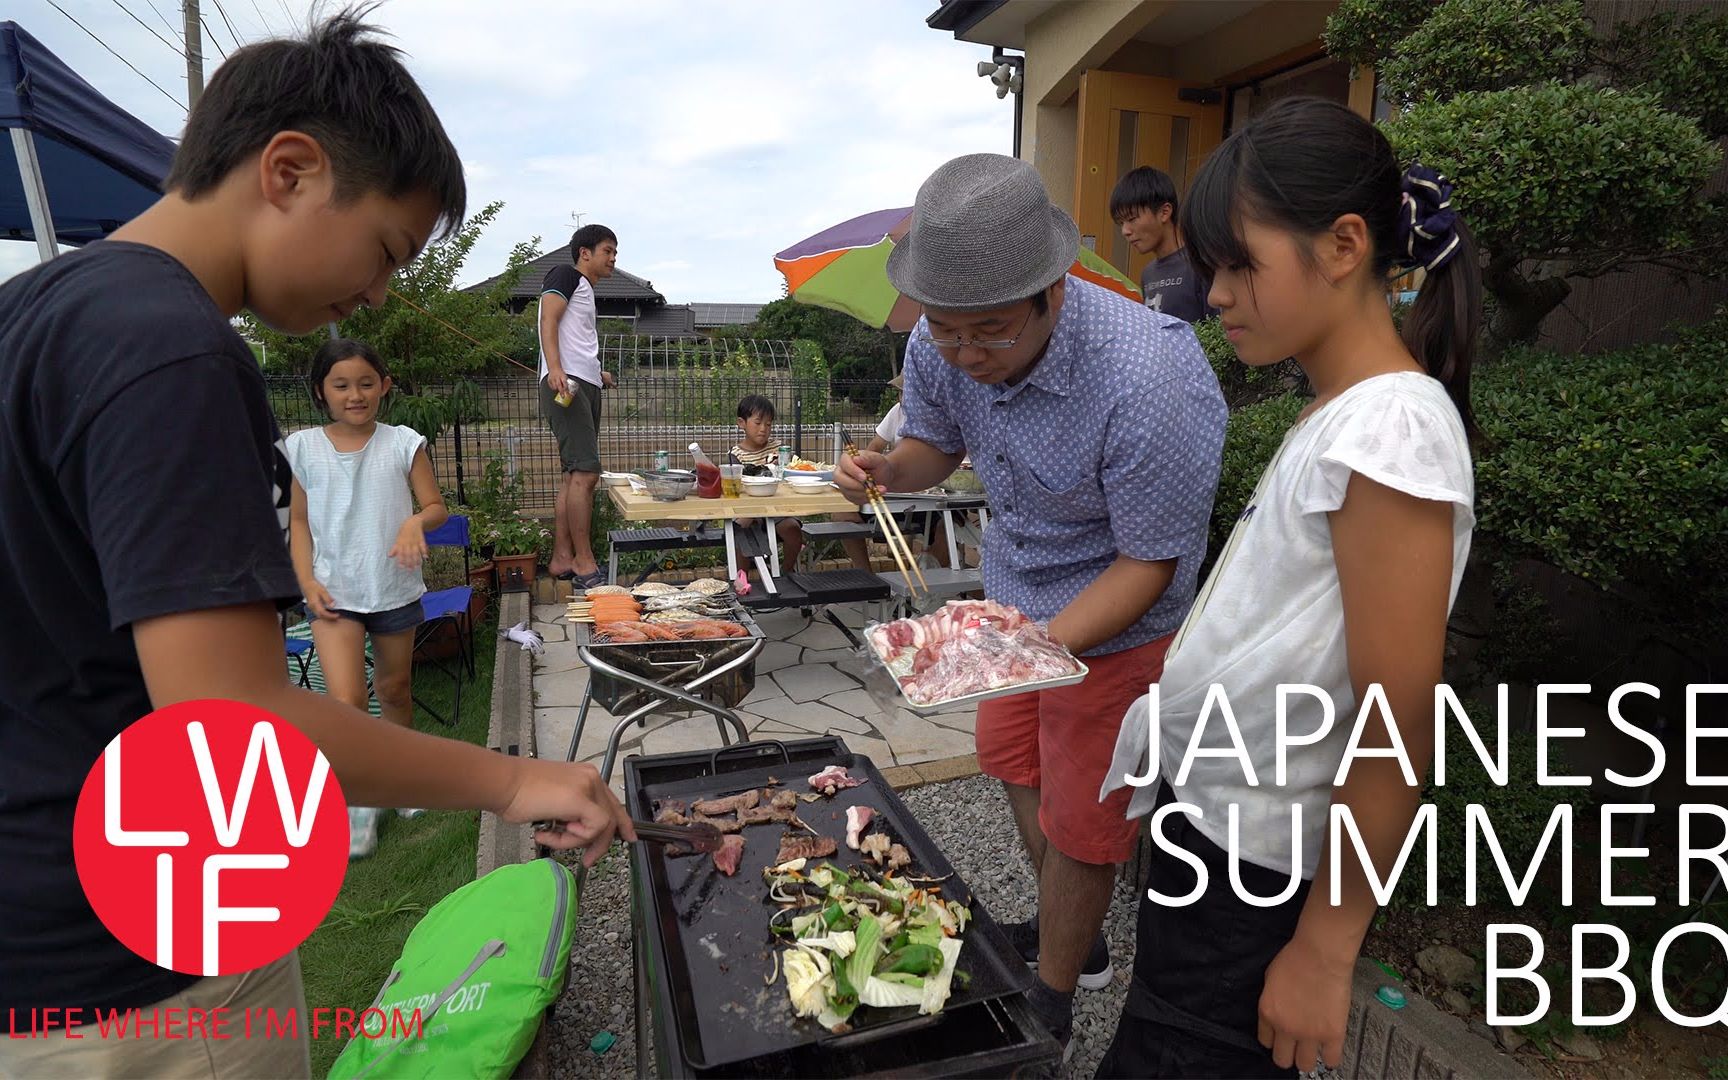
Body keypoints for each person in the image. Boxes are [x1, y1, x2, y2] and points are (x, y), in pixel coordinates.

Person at [0, 12, 632, 1078]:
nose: (380, 294)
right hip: (145, 955)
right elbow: (230, 727)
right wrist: (512, 783)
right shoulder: (172, 353)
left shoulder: (33, 314)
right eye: (385, 249)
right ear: (287, 170)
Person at [1096, 96, 1481, 1078]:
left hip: (1255, 873)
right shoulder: (1340, 412)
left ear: (1344, 244)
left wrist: (1326, 943)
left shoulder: (1393, 430)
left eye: (1237, 263)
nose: (1214, 293)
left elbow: (1396, 713)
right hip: (1214, 832)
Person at [836, 153, 1228, 1058]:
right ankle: (1077, 937)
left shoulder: (1149, 377)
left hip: (1120, 622)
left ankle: (1052, 999)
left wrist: (1034, 648)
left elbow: (1149, 566)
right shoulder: (942, 342)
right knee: (1013, 758)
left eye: (991, 333)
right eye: (947, 331)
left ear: (1053, 288)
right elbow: (936, 442)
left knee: (1087, 826)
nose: (967, 354)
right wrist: (886, 472)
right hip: (1015, 606)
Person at [287, 337, 448, 858]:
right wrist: (306, 581)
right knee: (347, 701)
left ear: (383, 386)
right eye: (340, 385)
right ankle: (359, 801)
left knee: (396, 689)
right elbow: (298, 521)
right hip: (334, 590)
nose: (354, 394)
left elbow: (436, 507)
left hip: (393, 587)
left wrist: (413, 522)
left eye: (364, 383)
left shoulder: (404, 442)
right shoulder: (302, 447)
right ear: (321, 392)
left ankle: (400, 779)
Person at [539, 224, 618, 589]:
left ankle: (561, 557)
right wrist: (556, 368)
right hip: (566, 383)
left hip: (582, 380)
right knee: (586, 474)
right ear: (584, 252)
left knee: (573, 475)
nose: (613, 258)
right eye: (607, 250)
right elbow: (548, 319)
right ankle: (584, 562)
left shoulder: (585, 288)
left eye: (614, 252)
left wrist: (595, 371)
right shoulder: (565, 275)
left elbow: (575, 337)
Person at [731, 394, 871, 572]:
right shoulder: (736, 453)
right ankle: (741, 578)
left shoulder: (777, 448)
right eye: (758, 423)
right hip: (750, 509)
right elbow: (738, 484)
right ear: (742, 423)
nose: (763, 429)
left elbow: (788, 474)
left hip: (778, 509)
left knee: (793, 530)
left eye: (768, 424)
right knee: (740, 531)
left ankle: (787, 571)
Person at [1111, 165, 1214, 324]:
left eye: (1131, 219)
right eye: (1121, 223)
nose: (1125, 231)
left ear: (1164, 212)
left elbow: (1219, 336)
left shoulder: (1202, 263)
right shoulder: (1148, 274)